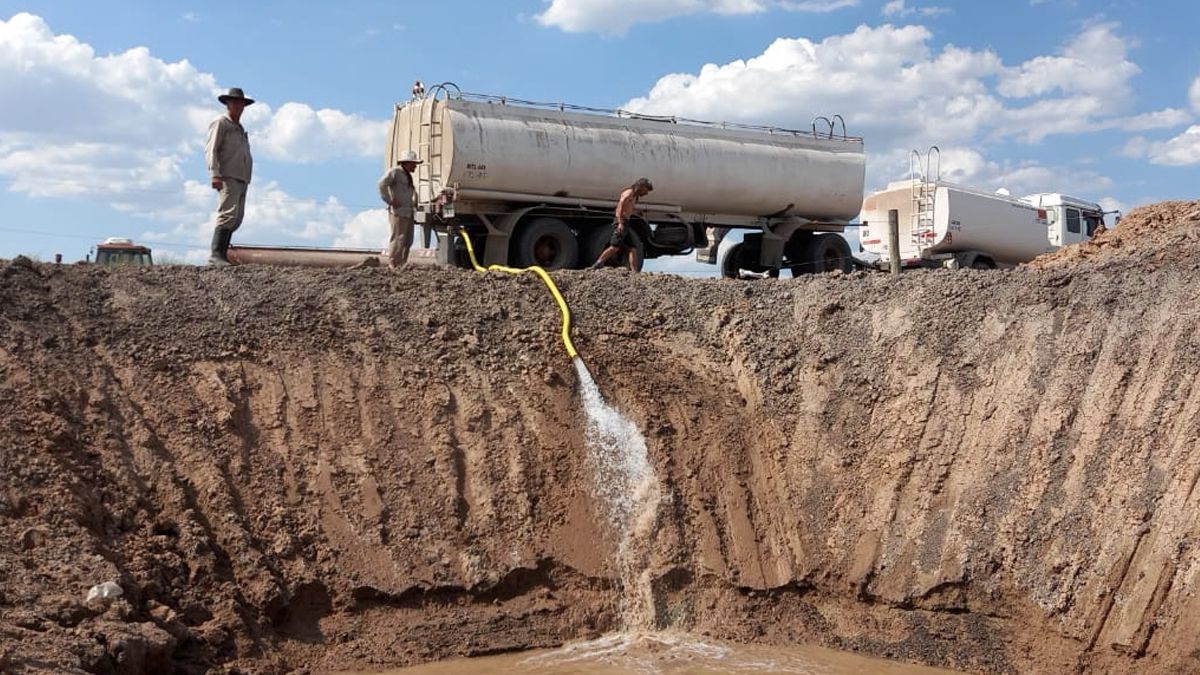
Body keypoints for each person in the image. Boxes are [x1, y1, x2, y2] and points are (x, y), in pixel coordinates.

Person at [205, 87, 255, 266]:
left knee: (236, 217)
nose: (238, 105)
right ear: (228, 104)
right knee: (227, 213)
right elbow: (211, 149)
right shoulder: (221, 123)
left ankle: (222, 254)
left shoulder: (239, 128)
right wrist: (215, 174)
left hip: (242, 177)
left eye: (241, 102)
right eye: (234, 102)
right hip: (227, 175)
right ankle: (216, 254)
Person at [591, 178, 653, 271]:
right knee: (615, 246)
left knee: (633, 248)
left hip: (626, 222)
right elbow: (620, 207)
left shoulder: (635, 196)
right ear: (641, 186)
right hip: (621, 222)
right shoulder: (629, 193)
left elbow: (628, 209)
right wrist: (620, 223)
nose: (646, 193)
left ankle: (634, 272)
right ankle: (598, 263)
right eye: (646, 190)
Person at [378, 150, 422, 268]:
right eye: (414, 164)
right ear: (407, 163)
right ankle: (393, 263)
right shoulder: (395, 172)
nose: (415, 166)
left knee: (408, 240)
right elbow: (382, 184)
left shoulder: (408, 176)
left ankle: (402, 263)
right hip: (398, 212)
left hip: (408, 212)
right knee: (398, 237)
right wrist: (390, 200)